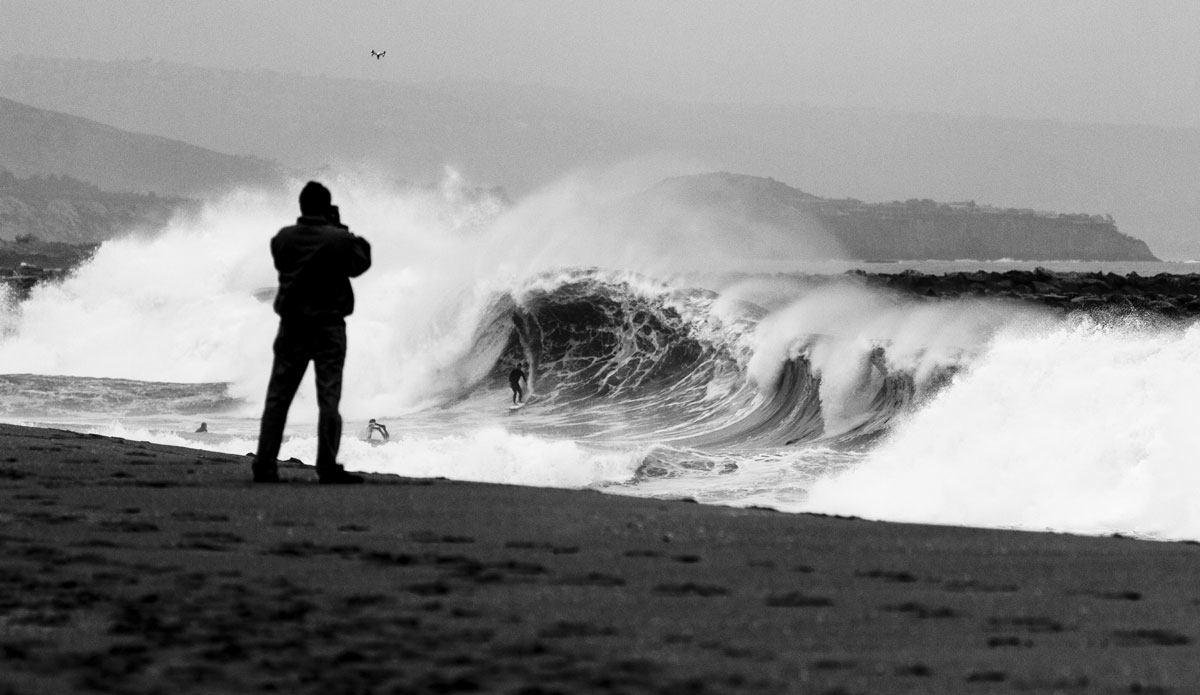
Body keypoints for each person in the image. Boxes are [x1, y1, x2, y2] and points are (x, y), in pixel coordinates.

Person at [250, 181, 372, 484]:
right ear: (326, 207)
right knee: (328, 400)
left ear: (301, 206)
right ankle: (327, 466)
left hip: (292, 327)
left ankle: (265, 464)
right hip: (329, 328)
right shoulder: (339, 239)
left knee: (278, 397)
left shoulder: (283, 239)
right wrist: (340, 227)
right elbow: (360, 262)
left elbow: (282, 262)